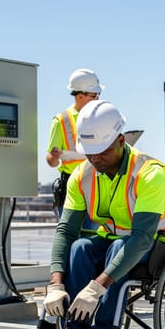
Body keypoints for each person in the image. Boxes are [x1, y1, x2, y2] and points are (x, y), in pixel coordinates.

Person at [39, 100, 165, 329]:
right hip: (115, 241)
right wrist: (55, 284)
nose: (95, 159)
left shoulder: (149, 173)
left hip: (158, 245)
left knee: (118, 246)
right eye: (89, 152)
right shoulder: (82, 175)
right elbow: (66, 231)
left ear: (121, 141)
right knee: (80, 247)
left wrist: (97, 287)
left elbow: (141, 238)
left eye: (101, 151)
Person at [46, 68, 103, 225]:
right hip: (72, 191)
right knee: (72, 239)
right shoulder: (61, 121)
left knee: (94, 241)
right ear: (80, 96)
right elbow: (51, 160)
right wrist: (55, 157)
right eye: (94, 95)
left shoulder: (100, 118)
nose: (98, 98)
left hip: (97, 190)